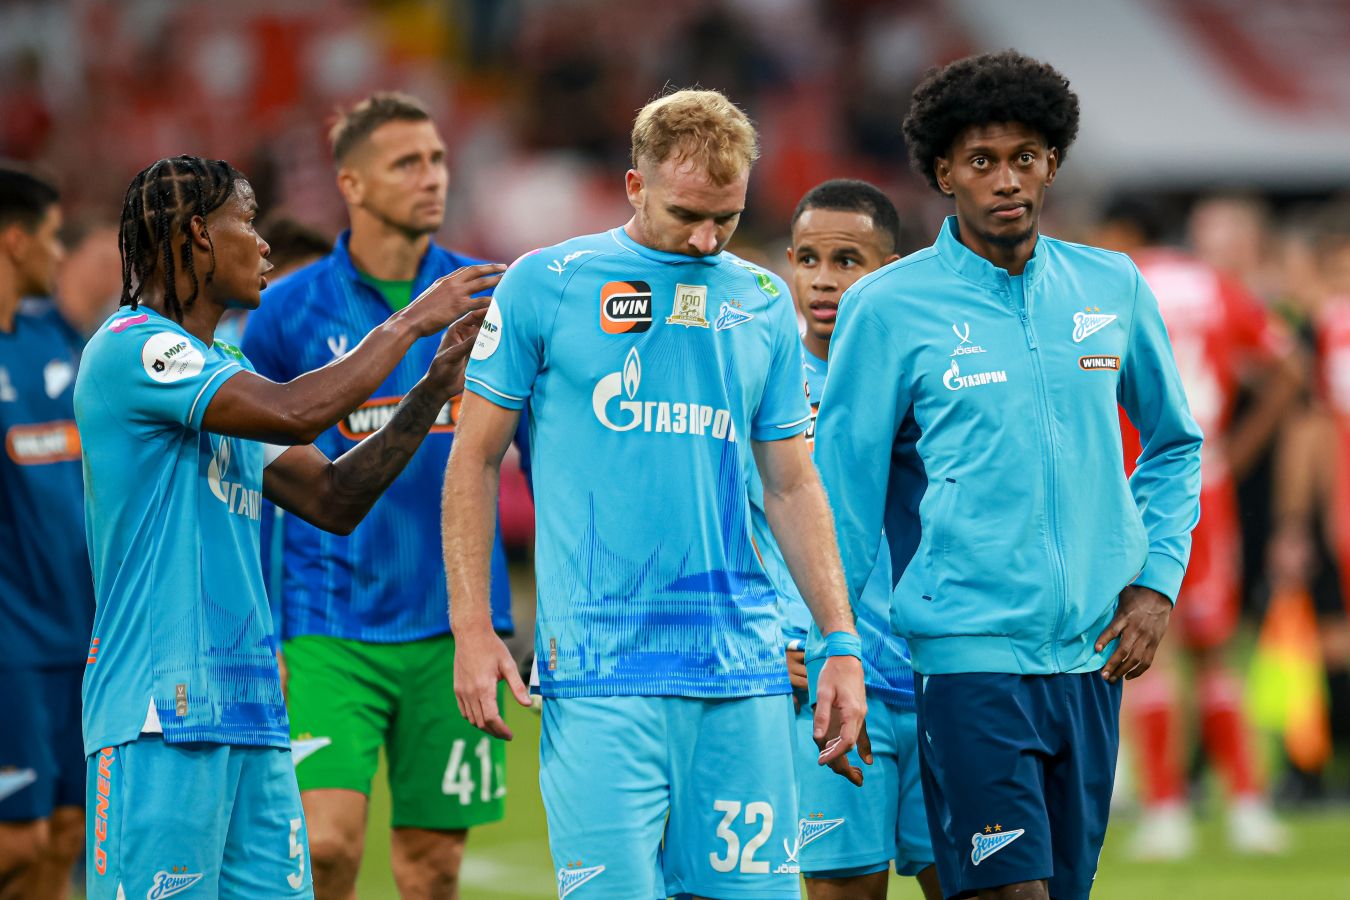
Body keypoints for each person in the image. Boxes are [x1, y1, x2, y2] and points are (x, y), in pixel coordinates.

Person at [442, 89, 868, 899]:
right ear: (635, 187)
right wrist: (472, 625)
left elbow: (790, 482)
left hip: (742, 673)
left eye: (728, 218)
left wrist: (839, 641)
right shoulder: (546, 285)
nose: (707, 239)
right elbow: (472, 461)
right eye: (687, 215)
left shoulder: (761, 300)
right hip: (600, 673)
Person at [812, 52, 1203, 900]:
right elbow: (840, 499)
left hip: (1092, 665)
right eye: (981, 160)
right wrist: (833, 646)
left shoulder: (1112, 286)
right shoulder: (887, 307)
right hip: (967, 664)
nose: (1006, 179)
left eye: (1024, 157)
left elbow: (1175, 445)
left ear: (1052, 162)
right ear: (943, 172)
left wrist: (1157, 583)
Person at [76, 155, 496, 900]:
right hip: (159, 711)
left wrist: (431, 391)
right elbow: (297, 412)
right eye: (247, 221)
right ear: (198, 234)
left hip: (253, 714)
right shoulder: (132, 347)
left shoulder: (221, 365)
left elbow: (333, 498)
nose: (265, 243)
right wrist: (409, 322)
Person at [241, 92, 519, 900]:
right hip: (326, 623)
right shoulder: (283, 311)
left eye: (436, 159)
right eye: (406, 163)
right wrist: (262, 629)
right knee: (325, 845)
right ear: (351, 184)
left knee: (432, 868)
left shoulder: (496, 298)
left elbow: (544, 455)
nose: (431, 177)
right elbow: (253, 479)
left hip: (455, 624)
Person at [749, 179, 940, 900]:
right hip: (825, 683)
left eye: (847, 261)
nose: (823, 280)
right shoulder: (761, 385)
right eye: (808, 259)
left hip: (941, 674)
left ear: (890, 270)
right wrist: (769, 638)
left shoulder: (935, 380)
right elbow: (727, 526)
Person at [1094, 196, 1298, 857]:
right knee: (1216, 652)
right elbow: (1289, 368)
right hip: (1204, 485)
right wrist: (1236, 452)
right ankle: (1247, 806)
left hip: (1133, 487)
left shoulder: (1108, 285)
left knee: (1145, 651)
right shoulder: (1218, 288)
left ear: (1120, 231)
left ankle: (1166, 811)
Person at [0, 164, 89, 900]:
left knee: (63, 836)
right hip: (11, 648)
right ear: (14, 241)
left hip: (79, 638)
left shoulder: (55, 344)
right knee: (17, 841)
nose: (59, 254)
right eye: (53, 238)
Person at [216, 213, 330, 347]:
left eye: (322, 287)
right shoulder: (207, 349)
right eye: (299, 285)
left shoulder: (330, 346)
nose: (313, 298)